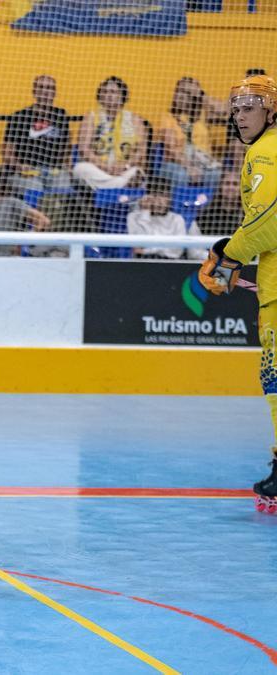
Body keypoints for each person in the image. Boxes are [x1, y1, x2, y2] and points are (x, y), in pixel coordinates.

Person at [196, 75, 277, 513]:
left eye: (251, 106)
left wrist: (229, 255)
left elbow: (270, 219)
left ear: (271, 110)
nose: (241, 114)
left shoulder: (266, 151)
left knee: (276, 378)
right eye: (237, 107)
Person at [3, 75, 73, 196]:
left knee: (63, 184)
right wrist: (19, 167)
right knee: (35, 188)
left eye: (50, 88)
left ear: (54, 93)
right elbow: (7, 154)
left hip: (53, 170)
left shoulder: (61, 116)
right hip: (26, 171)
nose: (45, 92)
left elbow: (66, 150)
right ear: (34, 92)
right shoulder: (19, 117)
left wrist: (68, 169)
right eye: (41, 87)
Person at [73, 77, 147, 190]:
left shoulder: (134, 119)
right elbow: (84, 149)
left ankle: (109, 186)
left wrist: (125, 166)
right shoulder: (91, 117)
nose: (109, 95)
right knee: (80, 169)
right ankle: (120, 185)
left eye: (113, 92)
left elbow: (141, 151)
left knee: (136, 173)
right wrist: (103, 166)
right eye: (105, 92)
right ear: (100, 96)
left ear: (122, 96)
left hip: (125, 170)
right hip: (98, 168)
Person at [158, 77, 222, 191]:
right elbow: (172, 150)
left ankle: (207, 208)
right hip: (176, 163)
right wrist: (189, 167)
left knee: (217, 175)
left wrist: (201, 94)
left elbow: (223, 110)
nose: (180, 95)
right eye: (178, 91)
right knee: (181, 175)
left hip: (203, 162)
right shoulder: (168, 118)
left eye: (187, 92)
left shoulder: (203, 115)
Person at [126, 177, 202, 260]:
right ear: (146, 197)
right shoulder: (133, 217)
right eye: (155, 195)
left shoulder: (177, 219)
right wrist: (145, 212)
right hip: (141, 262)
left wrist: (148, 251)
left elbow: (176, 251)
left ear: (169, 198)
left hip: (170, 264)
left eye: (163, 195)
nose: (159, 200)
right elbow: (139, 244)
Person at [195, 171, 242, 238]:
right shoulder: (206, 214)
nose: (231, 187)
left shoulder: (247, 214)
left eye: (235, 184)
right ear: (220, 187)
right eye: (227, 183)